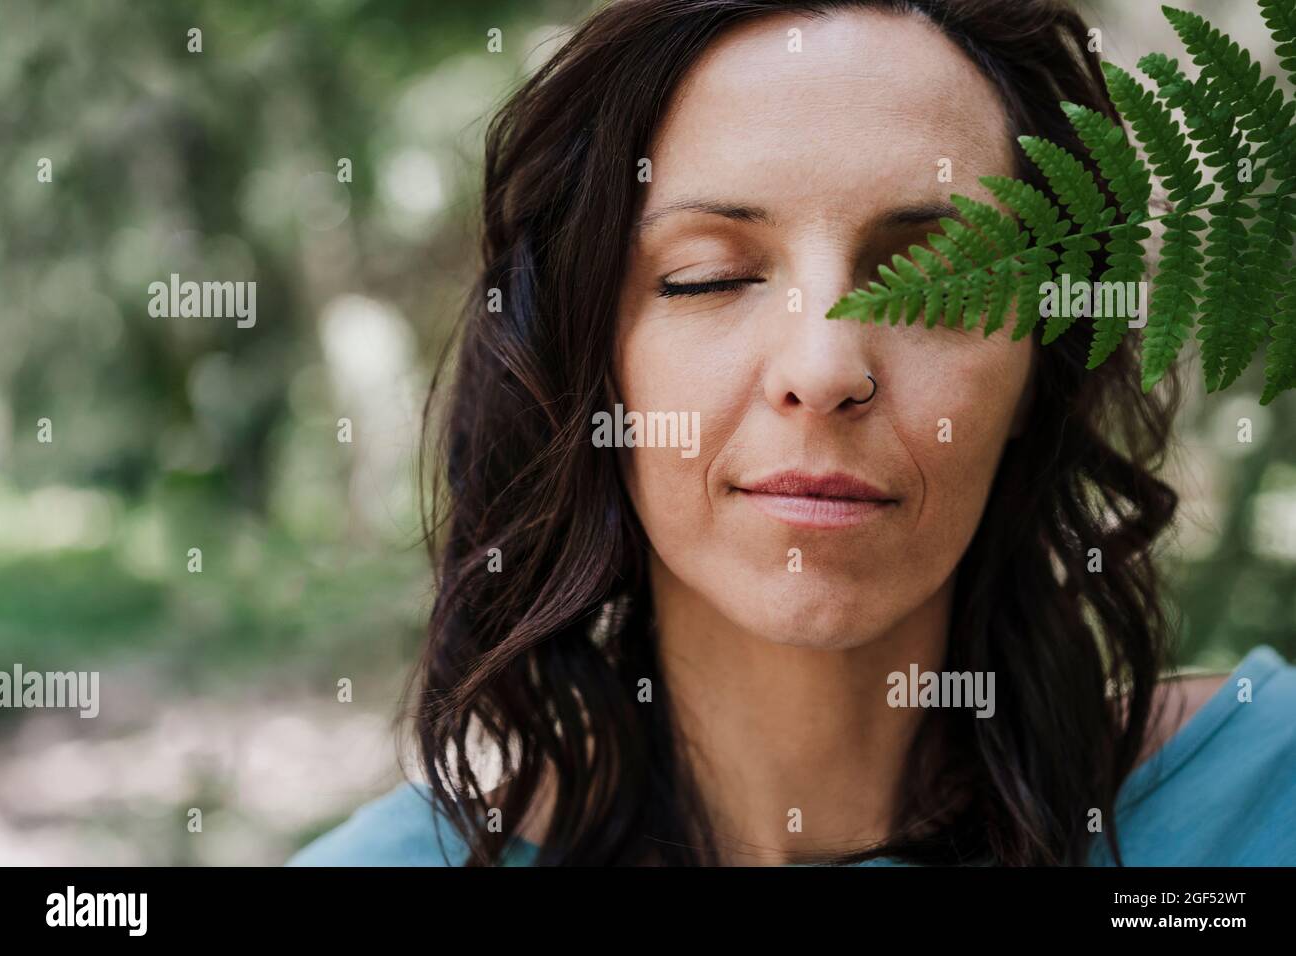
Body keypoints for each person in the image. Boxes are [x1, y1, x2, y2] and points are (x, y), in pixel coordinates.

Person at [290, 0, 1296, 867]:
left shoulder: (1266, 793)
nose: (824, 368)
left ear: (1041, 364)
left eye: (940, 277)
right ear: (586, 364)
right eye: (708, 276)